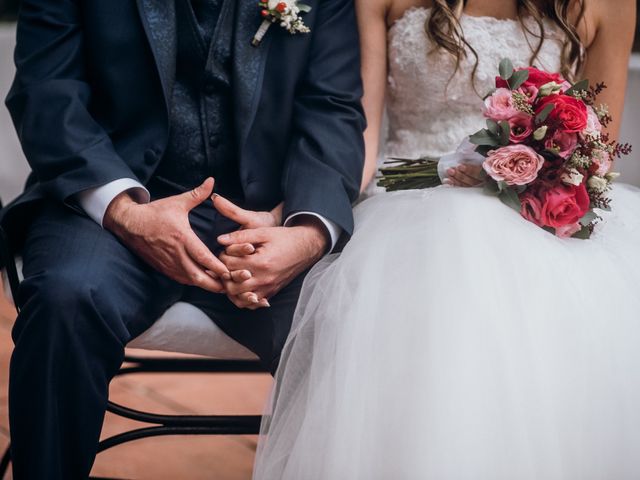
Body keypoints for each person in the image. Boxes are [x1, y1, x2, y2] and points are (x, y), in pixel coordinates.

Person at [250, 0, 640, 478]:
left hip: (532, 203)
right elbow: (362, 139)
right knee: (444, 257)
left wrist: (517, 178)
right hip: (403, 187)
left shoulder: (608, 6)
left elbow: (593, 152)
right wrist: (296, 210)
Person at [0, 0, 365, 477]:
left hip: (259, 220)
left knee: (352, 317)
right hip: (112, 205)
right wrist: (123, 210)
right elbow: (47, 91)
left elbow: (332, 108)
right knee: (65, 299)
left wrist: (307, 234)